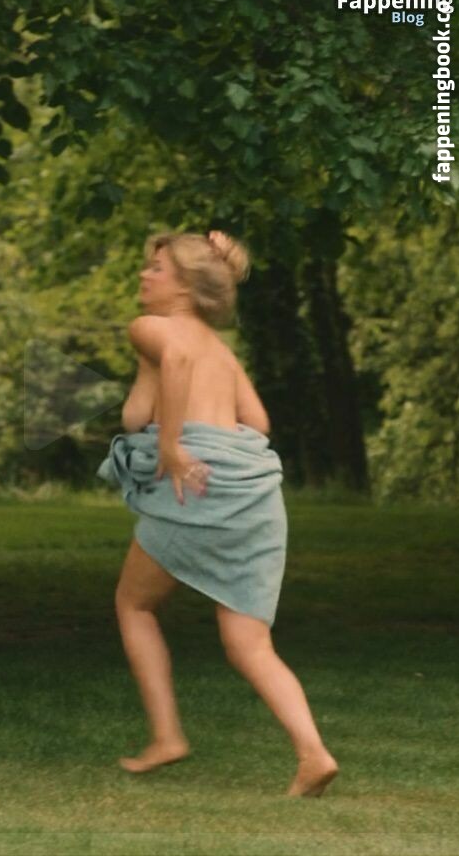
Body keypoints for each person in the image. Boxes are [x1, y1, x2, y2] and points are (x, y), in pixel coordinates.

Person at [98, 230, 339, 797]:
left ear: (184, 288)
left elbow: (177, 360)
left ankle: (167, 736)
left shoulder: (150, 328)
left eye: (157, 268)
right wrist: (157, 393)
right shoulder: (221, 352)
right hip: (254, 498)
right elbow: (258, 422)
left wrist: (172, 446)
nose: (144, 275)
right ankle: (313, 754)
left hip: (197, 489)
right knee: (249, 643)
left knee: (134, 604)